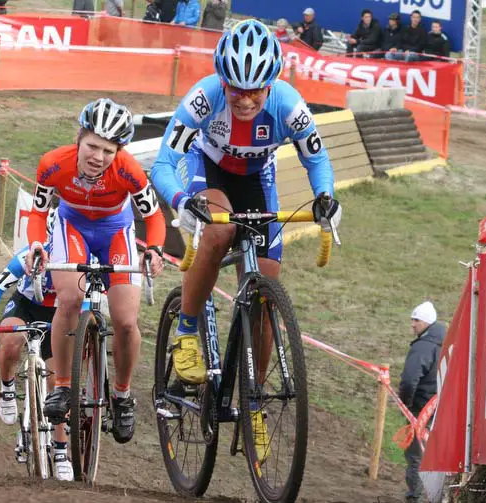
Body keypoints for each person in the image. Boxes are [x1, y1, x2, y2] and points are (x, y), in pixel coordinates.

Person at [150, 19, 340, 463]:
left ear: (272, 83)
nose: (247, 98)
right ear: (222, 79)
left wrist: (326, 199)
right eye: (237, 88)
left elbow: (318, 159)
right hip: (207, 169)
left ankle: (252, 396)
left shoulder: (290, 106)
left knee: (267, 291)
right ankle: (187, 332)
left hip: (258, 180)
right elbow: (163, 161)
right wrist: (181, 199)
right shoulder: (204, 98)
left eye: (257, 89)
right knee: (218, 231)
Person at [24, 98, 166, 445]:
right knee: (69, 300)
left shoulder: (129, 170)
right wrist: (36, 245)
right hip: (72, 225)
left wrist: (157, 249)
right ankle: (61, 386)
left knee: (126, 320)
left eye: (107, 150)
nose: (98, 157)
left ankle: (122, 394)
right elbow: (39, 213)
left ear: (118, 151)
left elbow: (154, 217)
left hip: (116, 232)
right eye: (92, 146)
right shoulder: (52, 165)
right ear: (79, 139)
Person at [0, 228, 75, 481]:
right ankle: (8, 387)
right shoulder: (31, 254)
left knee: (59, 383)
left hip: (59, 316)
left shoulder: (77, 257)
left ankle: (61, 450)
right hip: (27, 306)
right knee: (10, 342)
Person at [399, 301, 446, 503]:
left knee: (415, 457)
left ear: (426, 322)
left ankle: (414, 498)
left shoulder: (423, 347)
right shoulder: (446, 341)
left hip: (421, 409)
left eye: (416, 320)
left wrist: (405, 405)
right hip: (443, 408)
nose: (412, 324)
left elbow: (409, 380)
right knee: (442, 457)